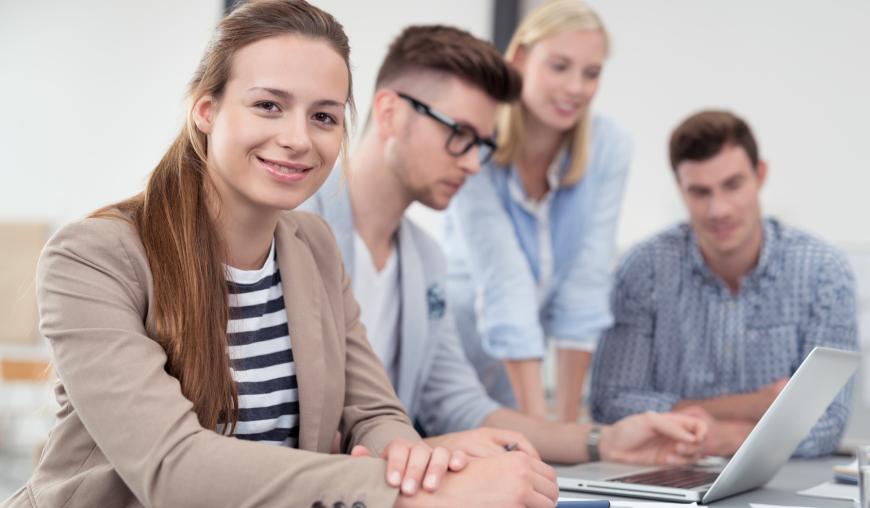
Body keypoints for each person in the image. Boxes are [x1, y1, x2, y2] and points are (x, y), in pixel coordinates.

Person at [1, 2, 560, 507]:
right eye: (269, 105)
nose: (299, 138)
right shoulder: (93, 257)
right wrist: (410, 496)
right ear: (206, 110)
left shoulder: (313, 245)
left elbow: (374, 413)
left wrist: (415, 464)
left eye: (323, 116)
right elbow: (173, 469)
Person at [302, 24, 706, 467]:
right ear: (390, 112)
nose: (474, 163)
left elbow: (463, 405)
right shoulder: (291, 228)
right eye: (459, 134)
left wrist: (603, 441)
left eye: (482, 144)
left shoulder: (424, 262)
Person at [589, 110, 858, 458]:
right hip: (666, 470)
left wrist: (723, 438)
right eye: (700, 192)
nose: (719, 210)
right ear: (680, 190)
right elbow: (610, 403)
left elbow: (828, 421)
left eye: (732, 185)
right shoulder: (644, 270)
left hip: (782, 480)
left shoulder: (823, 272)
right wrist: (753, 406)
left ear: (760, 175)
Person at [443, 0, 631, 422]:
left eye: (591, 73)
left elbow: (586, 283)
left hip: (519, 378)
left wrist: (564, 430)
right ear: (522, 58)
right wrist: (541, 435)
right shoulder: (479, 142)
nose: (576, 88)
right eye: (560, 66)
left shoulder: (608, 148)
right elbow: (503, 282)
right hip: (453, 366)